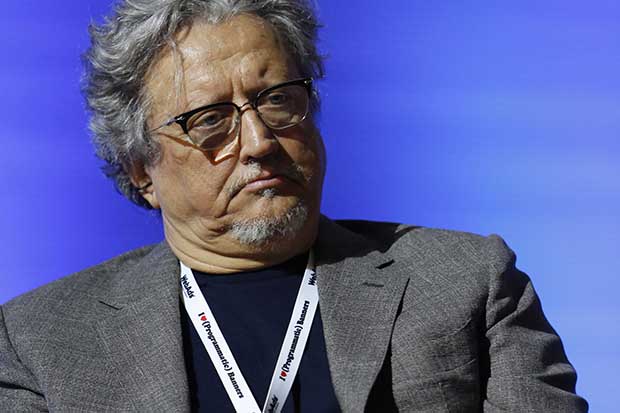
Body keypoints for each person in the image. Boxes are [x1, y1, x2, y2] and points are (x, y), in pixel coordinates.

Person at [0, 0, 588, 412]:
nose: (259, 142)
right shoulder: (40, 340)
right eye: (210, 120)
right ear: (140, 170)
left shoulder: (466, 280)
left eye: (277, 100)